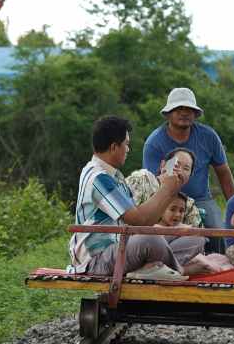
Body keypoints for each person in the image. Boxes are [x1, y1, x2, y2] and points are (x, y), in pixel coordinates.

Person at [69, 115, 189, 280]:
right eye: (126, 144)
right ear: (113, 147)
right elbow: (138, 220)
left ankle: (154, 268)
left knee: (194, 240)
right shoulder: (98, 177)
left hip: (119, 250)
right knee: (150, 239)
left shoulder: (114, 177)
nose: (128, 149)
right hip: (96, 260)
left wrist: (169, 191)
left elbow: (146, 221)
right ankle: (177, 270)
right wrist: (166, 189)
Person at [142, 88, 234, 241]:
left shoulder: (208, 136)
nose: (184, 113)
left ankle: (221, 262)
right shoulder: (154, 143)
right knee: (157, 236)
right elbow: (151, 183)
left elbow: (223, 172)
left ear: (195, 114)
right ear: (168, 114)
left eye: (189, 109)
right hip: (167, 198)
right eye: (178, 109)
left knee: (220, 233)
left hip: (201, 198)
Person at [157, 192, 234, 275]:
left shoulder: (182, 226)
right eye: (172, 209)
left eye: (181, 211)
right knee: (211, 263)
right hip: (170, 263)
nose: (177, 214)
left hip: (189, 258)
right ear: (161, 209)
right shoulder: (155, 228)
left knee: (222, 259)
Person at [126, 148, 204, 228]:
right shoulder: (141, 179)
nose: (180, 171)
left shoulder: (188, 204)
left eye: (186, 169)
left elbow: (198, 232)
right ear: (163, 165)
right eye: (176, 165)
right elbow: (126, 215)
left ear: (190, 176)